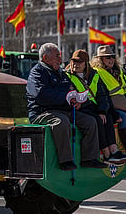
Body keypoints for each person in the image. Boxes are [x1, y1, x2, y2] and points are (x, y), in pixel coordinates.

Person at [26, 43, 106, 171]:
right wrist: (66, 97)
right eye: (57, 56)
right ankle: (65, 161)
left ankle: (89, 159)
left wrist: (78, 100)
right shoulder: (37, 73)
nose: (60, 59)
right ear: (46, 58)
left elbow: (71, 89)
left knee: (90, 121)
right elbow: (41, 94)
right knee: (61, 123)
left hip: (63, 109)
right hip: (42, 112)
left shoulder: (61, 73)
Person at [65, 49, 126, 165]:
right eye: (74, 61)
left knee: (108, 117)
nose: (76, 64)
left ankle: (114, 151)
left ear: (86, 64)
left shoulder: (93, 75)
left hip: (93, 107)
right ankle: (107, 154)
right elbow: (71, 95)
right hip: (80, 108)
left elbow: (102, 95)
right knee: (97, 120)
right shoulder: (67, 75)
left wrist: (103, 111)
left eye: (79, 62)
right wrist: (96, 111)